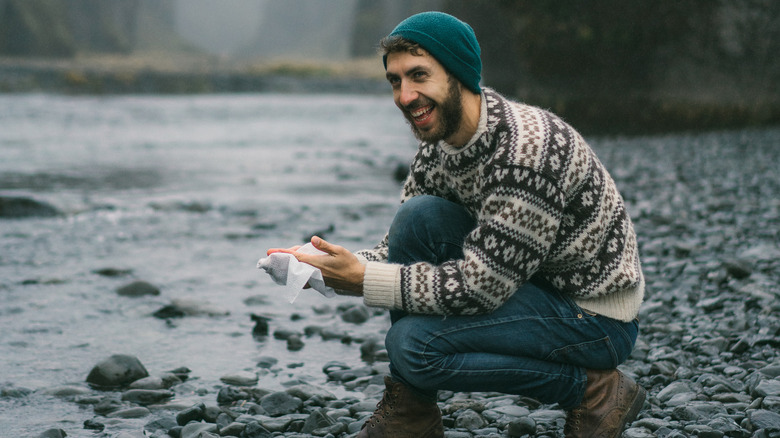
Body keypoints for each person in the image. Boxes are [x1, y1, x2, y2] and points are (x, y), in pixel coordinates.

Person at [266, 11, 646, 438]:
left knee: (414, 346)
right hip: (535, 285)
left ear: (459, 74)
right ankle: (413, 410)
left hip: (594, 317)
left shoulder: (526, 151)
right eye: (395, 80)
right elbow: (399, 249)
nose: (405, 96)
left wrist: (364, 280)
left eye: (419, 76)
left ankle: (595, 389)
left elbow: (483, 287)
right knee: (418, 217)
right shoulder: (440, 148)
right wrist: (329, 267)